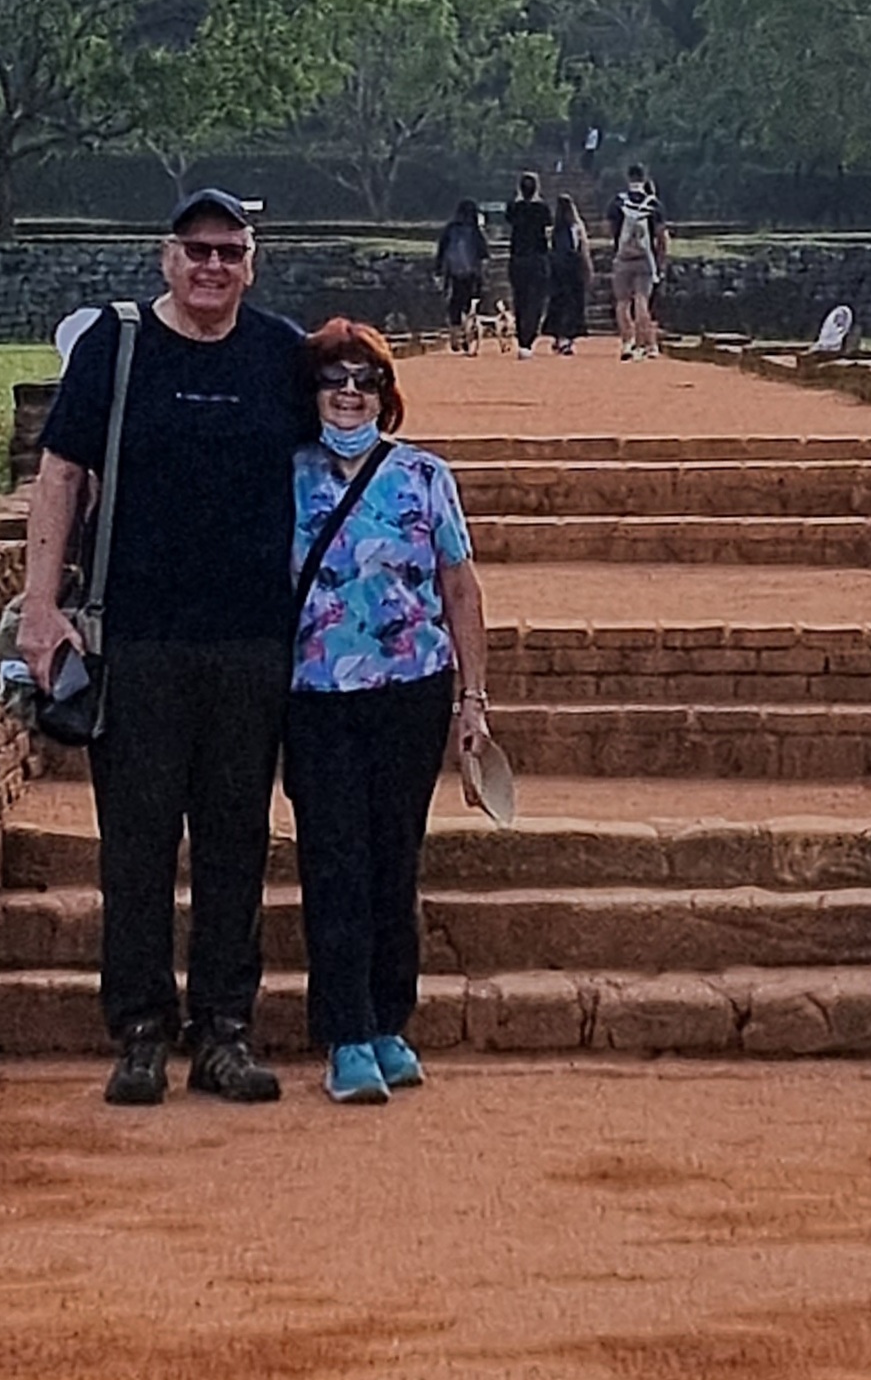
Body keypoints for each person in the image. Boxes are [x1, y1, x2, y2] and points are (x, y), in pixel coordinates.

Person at [18, 188, 309, 1109]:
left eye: (229, 251)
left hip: (250, 636)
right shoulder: (119, 346)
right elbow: (62, 474)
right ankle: (140, 1028)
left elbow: (329, 469)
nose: (212, 266)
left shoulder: (280, 355)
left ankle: (224, 1028)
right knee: (135, 842)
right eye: (197, 251)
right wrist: (38, 607)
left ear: (251, 262)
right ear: (166, 258)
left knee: (233, 837)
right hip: (136, 634)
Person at [283, 320, 491, 1103]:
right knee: (335, 857)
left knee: (394, 855)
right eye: (333, 379)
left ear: (384, 394)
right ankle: (344, 1028)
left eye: (363, 380)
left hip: (410, 688)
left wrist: (473, 699)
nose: (347, 393)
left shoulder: (423, 477)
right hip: (316, 694)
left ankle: (388, 1020)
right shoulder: (287, 475)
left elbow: (460, 587)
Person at [607, 166, 665, 360]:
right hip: (645, 258)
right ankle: (646, 343)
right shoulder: (653, 204)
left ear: (628, 178)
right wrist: (660, 261)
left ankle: (627, 342)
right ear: (644, 178)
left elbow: (611, 230)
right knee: (642, 300)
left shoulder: (617, 203)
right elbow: (661, 236)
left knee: (622, 302)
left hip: (623, 258)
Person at [503, 170, 554, 358]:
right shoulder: (542, 209)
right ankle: (529, 338)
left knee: (520, 299)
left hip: (518, 258)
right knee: (536, 301)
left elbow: (509, 218)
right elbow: (548, 226)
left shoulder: (514, 208)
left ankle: (521, 338)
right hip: (538, 259)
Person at [436, 197, 490, 352]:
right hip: (472, 272)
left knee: (454, 303)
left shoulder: (450, 228)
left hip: (453, 271)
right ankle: (468, 334)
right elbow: (483, 253)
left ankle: (454, 334)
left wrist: (438, 270)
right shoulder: (475, 230)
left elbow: (442, 250)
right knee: (470, 304)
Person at [545, 190, 591, 356]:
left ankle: (559, 337)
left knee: (558, 302)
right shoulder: (577, 227)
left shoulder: (552, 230)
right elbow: (583, 248)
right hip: (573, 269)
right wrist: (587, 267)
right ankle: (568, 338)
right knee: (573, 303)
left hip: (557, 269)